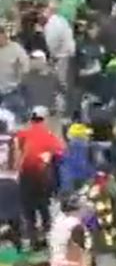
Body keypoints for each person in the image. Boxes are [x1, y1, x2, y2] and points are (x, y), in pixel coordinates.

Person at [15, 106, 64, 249]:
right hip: (43, 177)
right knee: (44, 207)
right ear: (45, 119)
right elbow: (60, 151)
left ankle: (33, 240)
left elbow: (18, 151)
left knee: (28, 210)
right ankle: (48, 238)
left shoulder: (23, 133)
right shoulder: (49, 135)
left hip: (26, 176)